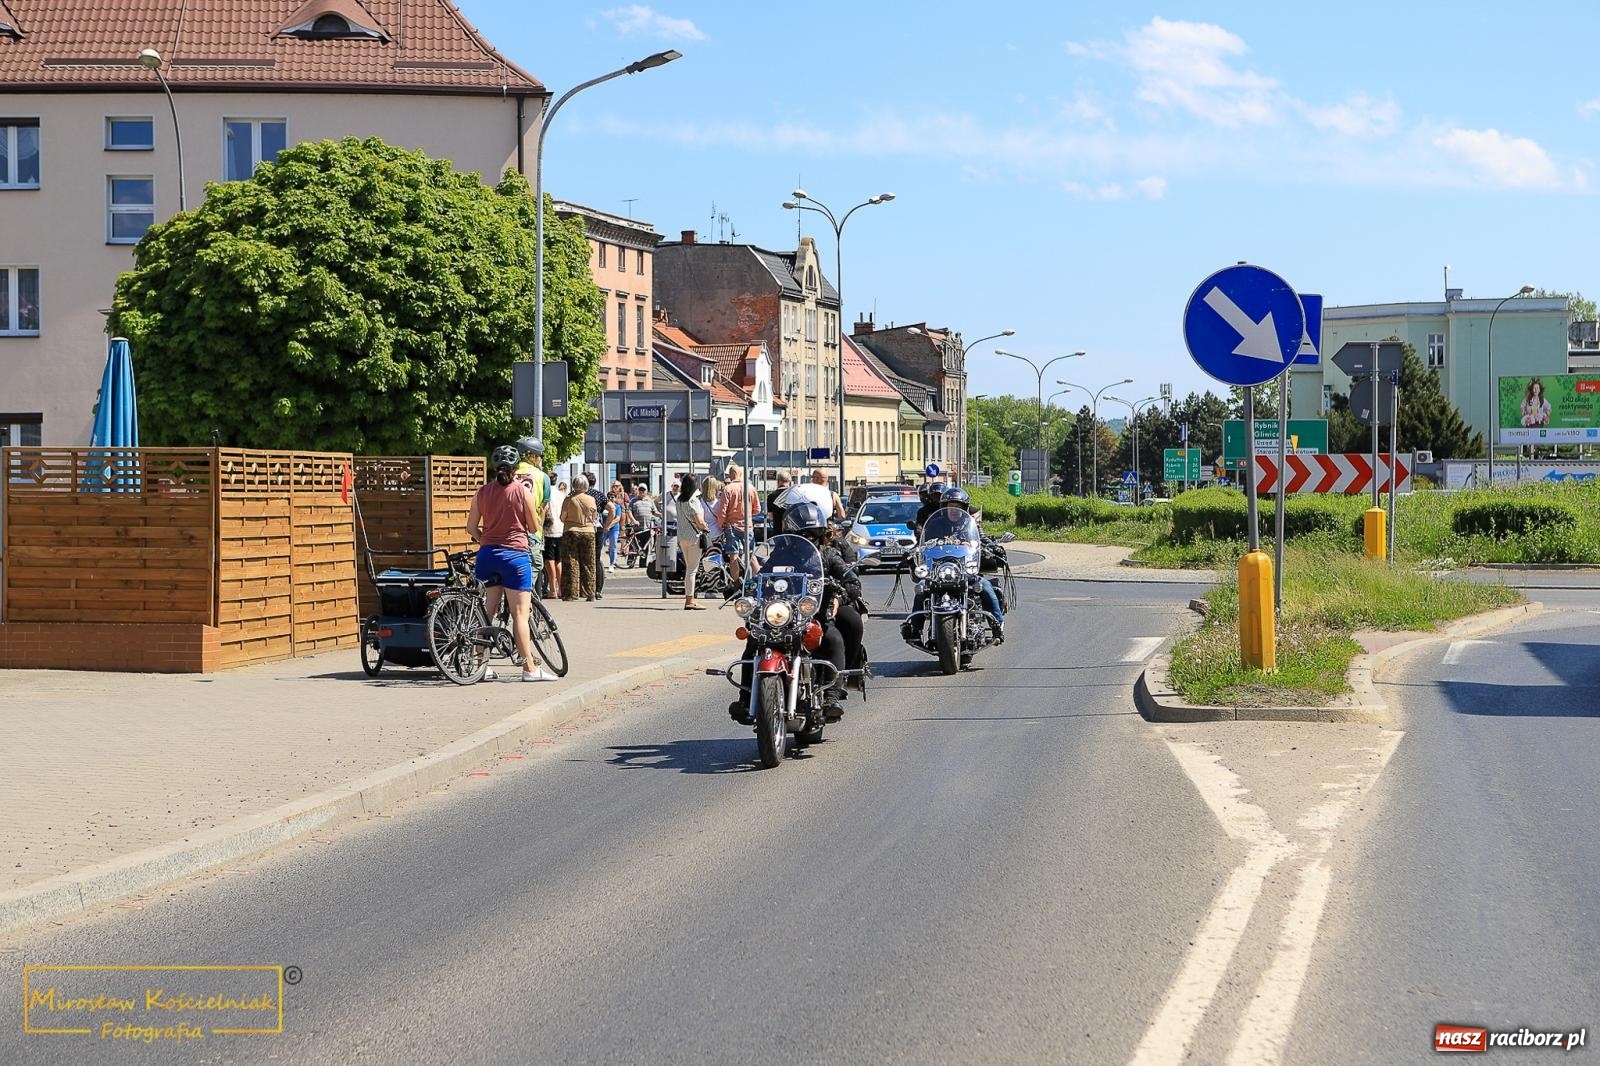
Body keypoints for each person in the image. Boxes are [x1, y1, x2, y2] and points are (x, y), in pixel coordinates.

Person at [729, 499, 859, 726]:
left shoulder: (827, 555)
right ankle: (745, 698)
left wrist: (839, 595)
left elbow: (851, 581)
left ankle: (831, 698)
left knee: (832, 638)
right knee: (753, 640)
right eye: (801, 535)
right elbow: (760, 579)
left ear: (819, 535)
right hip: (781, 617)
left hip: (813, 616)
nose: (806, 540)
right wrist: (743, 586)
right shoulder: (778, 556)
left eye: (811, 535)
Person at [464, 445, 552, 682]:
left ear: (494, 468)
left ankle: (481, 666)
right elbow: (533, 527)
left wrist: (486, 541)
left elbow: (470, 528)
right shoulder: (523, 492)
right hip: (515, 558)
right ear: (515, 470)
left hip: (487, 556)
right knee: (520, 614)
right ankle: (529, 669)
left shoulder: (481, 493)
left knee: (485, 613)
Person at [902, 486, 1005, 641]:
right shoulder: (935, 523)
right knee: (921, 590)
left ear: (964, 507)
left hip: (964, 569)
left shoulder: (970, 524)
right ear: (945, 507)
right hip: (940, 570)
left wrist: (991, 545)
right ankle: (915, 628)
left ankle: (997, 623)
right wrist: (915, 550)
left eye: (958, 506)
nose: (954, 510)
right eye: (951, 506)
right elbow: (925, 540)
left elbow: (981, 538)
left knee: (986, 587)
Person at [512, 436, 552, 582]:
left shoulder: (507, 474)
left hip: (507, 531)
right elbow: (544, 506)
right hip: (531, 532)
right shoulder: (542, 477)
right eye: (540, 456)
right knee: (535, 565)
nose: (540, 459)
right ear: (533, 456)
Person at [715, 463, 760, 583]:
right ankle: (759, 581)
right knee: (751, 554)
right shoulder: (751, 488)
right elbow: (758, 509)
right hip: (748, 526)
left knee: (733, 556)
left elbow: (722, 511)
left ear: (731, 475)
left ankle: (736, 583)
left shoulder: (727, 489)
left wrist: (721, 524)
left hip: (731, 526)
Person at [560, 474, 600, 601]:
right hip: (589, 532)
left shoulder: (568, 500)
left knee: (571, 562)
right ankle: (590, 593)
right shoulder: (591, 499)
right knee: (589, 563)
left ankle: (571, 593)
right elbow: (594, 517)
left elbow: (562, 518)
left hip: (571, 531)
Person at [676, 474, 709, 610]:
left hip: (682, 537)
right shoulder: (693, 500)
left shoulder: (679, 499)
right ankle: (690, 600)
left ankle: (689, 598)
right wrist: (706, 527)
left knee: (689, 569)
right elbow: (699, 521)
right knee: (692, 570)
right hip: (694, 537)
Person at [585, 472, 611, 598]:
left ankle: (585, 588)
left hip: (584, 528)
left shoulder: (578, 494)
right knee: (596, 559)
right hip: (598, 528)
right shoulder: (599, 495)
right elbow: (611, 509)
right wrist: (607, 525)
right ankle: (598, 589)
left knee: (583, 558)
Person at [544, 478, 567, 596]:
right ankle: (561, 588)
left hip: (549, 529)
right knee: (559, 560)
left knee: (549, 560)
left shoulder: (546, 493)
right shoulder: (561, 494)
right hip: (561, 528)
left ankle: (552, 589)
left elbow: (545, 509)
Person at [627, 483, 658, 566]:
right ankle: (630, 561)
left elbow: (654, 512)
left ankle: (643, 563)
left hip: (647, 527)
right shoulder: (633, 500)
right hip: (637, 527)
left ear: (646, 491)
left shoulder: (650, 501)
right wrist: (633, 520)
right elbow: (629, 511)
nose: (641, 492)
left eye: (643, 490)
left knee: (645, 546)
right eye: (640, 490)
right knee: (633, 545)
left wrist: (662, 515)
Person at [604, 481, 627, 572]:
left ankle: (612, 564)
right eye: (609, 497)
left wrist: (609, 526)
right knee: (600, 545)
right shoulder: (605, 507)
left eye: (612, 497)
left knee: (612, 546)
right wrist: (604, 526)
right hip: (604, 529)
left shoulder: (617, 507)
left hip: (614, 529)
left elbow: (617, 518)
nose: (611, 498)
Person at [766, 472, 792, 541]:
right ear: (789, 481)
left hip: (778, 530)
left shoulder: (771, 496)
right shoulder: (793, 494)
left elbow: (770, 515)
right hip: (792, 530)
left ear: (778, 481)